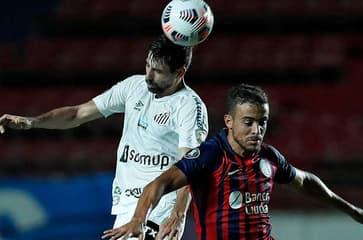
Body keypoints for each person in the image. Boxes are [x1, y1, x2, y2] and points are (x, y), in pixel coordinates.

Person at [102, 83, 363, 240]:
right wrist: (139, 220)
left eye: (262, 123)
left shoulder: (269, 157)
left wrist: (349, 209)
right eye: (248, 122)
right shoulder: (211, 155)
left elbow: (306, 182)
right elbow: (159, 183)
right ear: (229, 121)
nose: (257, 130)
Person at [0, 34, 209, 240]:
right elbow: (78, 113)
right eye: (147, 66)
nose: (148, 76)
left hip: (160, 209)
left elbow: (190, 166)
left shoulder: (189, 107)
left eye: (158, 71)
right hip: (127, 206)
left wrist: (178, 215)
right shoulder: (134, 87)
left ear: (180, 73)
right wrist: (32, 122)